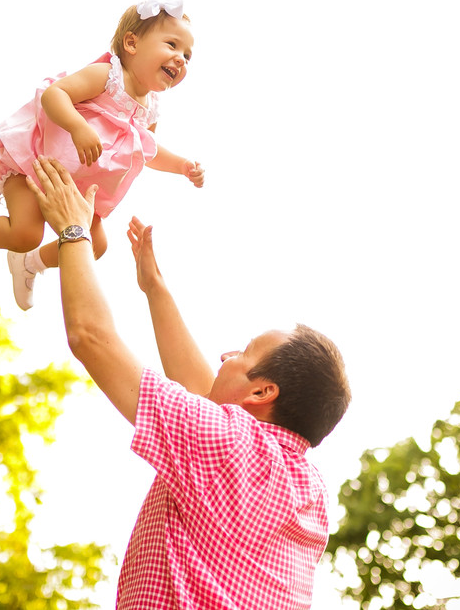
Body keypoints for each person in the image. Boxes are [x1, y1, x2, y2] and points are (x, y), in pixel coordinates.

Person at [25, 156, 352, 610]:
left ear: (262, 392)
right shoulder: (308, 491)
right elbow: (207, 401)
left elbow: (91, 338)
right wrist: (155, 289)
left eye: (244, 352)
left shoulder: (230, 446)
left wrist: (73, 230)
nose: (226, 355)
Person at [0, 0, 205, 310]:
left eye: (187, 55)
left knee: (94, 245)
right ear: (132, 43)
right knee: (25, 233)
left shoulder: (151, 110)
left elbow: (146, 150)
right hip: (37, 164)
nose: (181, 59)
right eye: (172, 45)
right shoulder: (108, 77)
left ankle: (29, 264)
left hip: (76, 186)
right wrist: (78, 127)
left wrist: (182, 165)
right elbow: (56, 93)